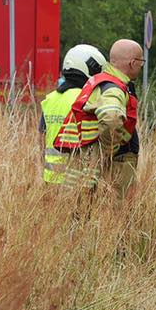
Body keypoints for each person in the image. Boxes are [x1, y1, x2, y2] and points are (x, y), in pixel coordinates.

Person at [53, 38, 144, 194]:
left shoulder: (99, 81)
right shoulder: (113, 88)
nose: (141, 67)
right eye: (141, 62)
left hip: (85, 163)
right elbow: (111, 118)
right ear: (132, 63)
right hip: (107, 167)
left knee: (82, 211)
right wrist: (109, 152)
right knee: (111, 214)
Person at [40, 44, 106, 185]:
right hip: (78, 179)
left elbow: (42, 140)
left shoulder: (50, 99)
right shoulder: (88, 99)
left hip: (51, 177)